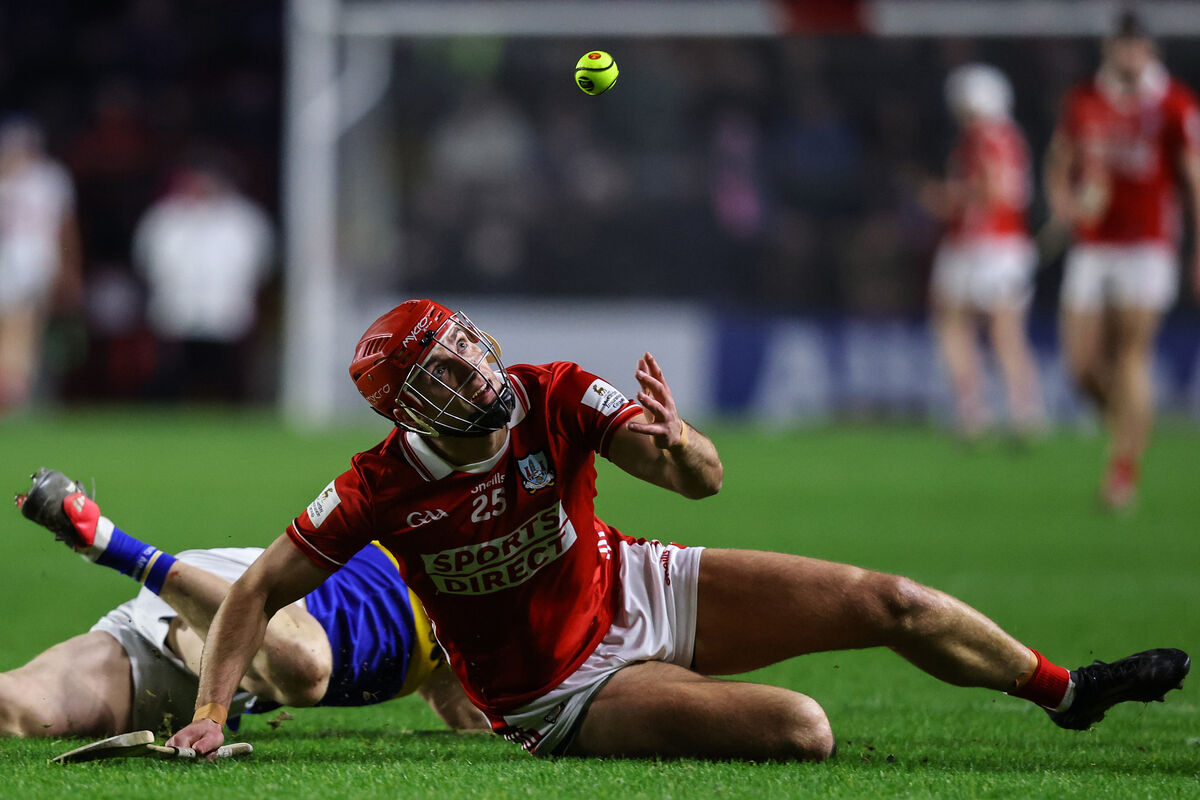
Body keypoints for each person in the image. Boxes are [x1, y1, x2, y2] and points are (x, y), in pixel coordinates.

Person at [169, 299, 1189, 761]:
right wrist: (213, 707)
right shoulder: (375, 488)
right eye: (443, 370)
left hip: (639, 580)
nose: (477, 371)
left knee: (895, 601)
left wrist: (685, 441)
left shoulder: (554, 390)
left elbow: (699, 483)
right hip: (560, 688)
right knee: (804, 729)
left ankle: (1068, 692)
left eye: (467, 346)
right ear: (408, 408)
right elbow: (258, 588)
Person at [5, 468, 486, 739]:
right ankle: (115, 547)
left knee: (20, 712)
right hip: (241, 598)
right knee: (306, 668)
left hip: (225, 670)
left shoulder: (463, 643)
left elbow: (468, 706)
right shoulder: (445, 548)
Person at [1044, 11, 1200, 510]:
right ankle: (1131, 429)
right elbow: (1059, 159)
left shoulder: (1174, 103)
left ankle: (1123, 470)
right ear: (1111, 50)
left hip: (1148, 243)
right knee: (1081, 365)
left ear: (1150, 51)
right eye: (1122, 47)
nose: (1129, 56)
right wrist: (1063, 202)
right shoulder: (1086, 100)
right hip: (1094, 244)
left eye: (1137, 47)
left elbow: (1193, 179)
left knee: (1132, 352)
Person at [923, 64, 1045, 442]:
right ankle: (1024, 411)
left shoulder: (981, 138)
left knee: (954, 322)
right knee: (1005, 331)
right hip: (1007, 244)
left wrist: (946, 198)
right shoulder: (1011, 136)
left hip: (980, 243)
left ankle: (974, 410)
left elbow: (988, 191)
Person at [131, 158, 274, 402]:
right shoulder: (166, 217)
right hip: (176, 305)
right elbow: (146, 260)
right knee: (174, 367)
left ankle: (231, 408)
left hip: (226, 307)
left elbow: (261, 263)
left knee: (225, 369)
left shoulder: (244, 218)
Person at [0, 116, 83, 414]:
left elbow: (64, 225)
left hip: (34, 260)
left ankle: (17, 395)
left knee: (23, 327)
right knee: (18, 329)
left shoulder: (49, 177)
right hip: (10, 258)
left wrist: (69, 267)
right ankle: (15, 393)